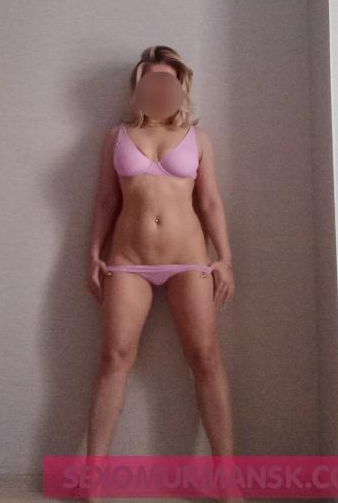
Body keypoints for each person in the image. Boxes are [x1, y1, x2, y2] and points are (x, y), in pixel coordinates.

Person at [85, 44, 235, 464]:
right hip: (128, 262)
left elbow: (210, 203)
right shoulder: (116, 137)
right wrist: (93, 254)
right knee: (114, 359)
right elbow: (105, 201)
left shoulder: (198, 138)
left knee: (205, 358)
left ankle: (227, 477)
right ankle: (93, 477)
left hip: (188, 260)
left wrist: (225, 258)